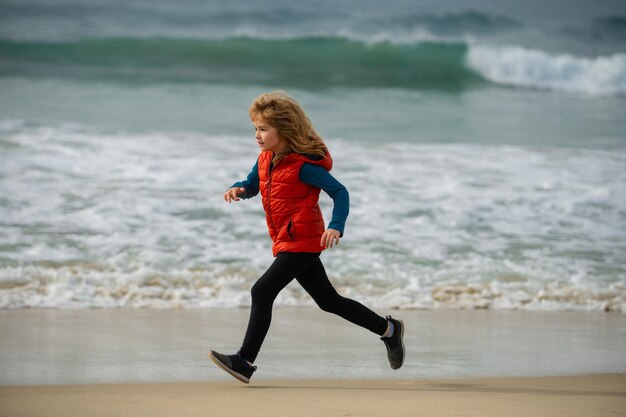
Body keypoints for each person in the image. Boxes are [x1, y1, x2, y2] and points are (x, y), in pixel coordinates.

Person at [209, 91, 405, 384]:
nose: (257, 135)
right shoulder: (265, 159)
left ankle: (244, 361)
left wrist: (336, 225)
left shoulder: (304, 166)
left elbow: (340, 192)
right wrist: (239, 188)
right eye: (255, 129)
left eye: (263, 129)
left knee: (261, 291)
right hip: (287, 238)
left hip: (304, 239)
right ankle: (389, 330)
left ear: (284, 131)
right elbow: (254, 184)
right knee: (328, 300)